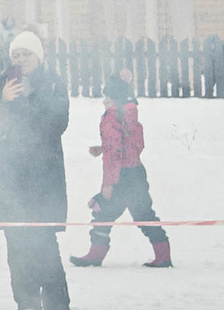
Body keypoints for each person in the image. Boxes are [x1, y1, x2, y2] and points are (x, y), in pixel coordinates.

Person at [0, 30, 72, 310]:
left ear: (38, 56)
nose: (21, 59)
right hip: (10, 173)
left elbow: (58, 122)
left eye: (26, 53)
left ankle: (57, 303)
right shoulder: (4, 82)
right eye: (16, 54)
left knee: (44, 239)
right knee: (16, 240)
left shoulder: (52, 82)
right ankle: (25, 301)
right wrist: (3, 100)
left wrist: (32, 95)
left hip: (44, 173)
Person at [72, 70, 172, 269]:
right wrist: (104, 147)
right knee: (145, 215)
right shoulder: (131, 114)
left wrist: (108, 184)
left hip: (120, 177)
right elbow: (133, 145)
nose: (104, 102)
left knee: (102, 213)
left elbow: (114, 155)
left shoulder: (111, 117)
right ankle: (163, 255)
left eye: (107, 98)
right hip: (136, 173)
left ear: (114, 99)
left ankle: (95, 255)